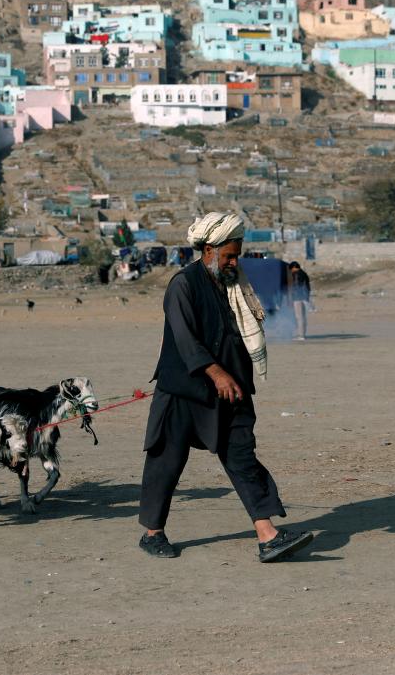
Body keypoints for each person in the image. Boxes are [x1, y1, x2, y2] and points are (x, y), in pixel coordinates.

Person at [138, 212, 314, 563]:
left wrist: (234, 377)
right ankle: (152, 533)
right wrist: (216, 373)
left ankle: (267, 535)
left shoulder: (235, 285)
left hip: (231, 389)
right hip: (184, 389)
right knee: (167, 461)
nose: (234, 262)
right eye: (229, 256)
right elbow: (185, 339)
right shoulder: (182, 285)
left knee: (242, 455)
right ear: (208, 250)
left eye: (237, 256)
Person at [287, 261, 312, 340]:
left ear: (294, 267)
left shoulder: (296, 274)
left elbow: (296, 286)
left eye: (291, 269)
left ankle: (301, 335)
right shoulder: (304, 273)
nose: (291, 271)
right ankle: (303, 334)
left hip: (298, 298)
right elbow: (308, 287)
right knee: (303, 316)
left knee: (299, 317)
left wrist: (291, 297)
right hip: (304, 298)